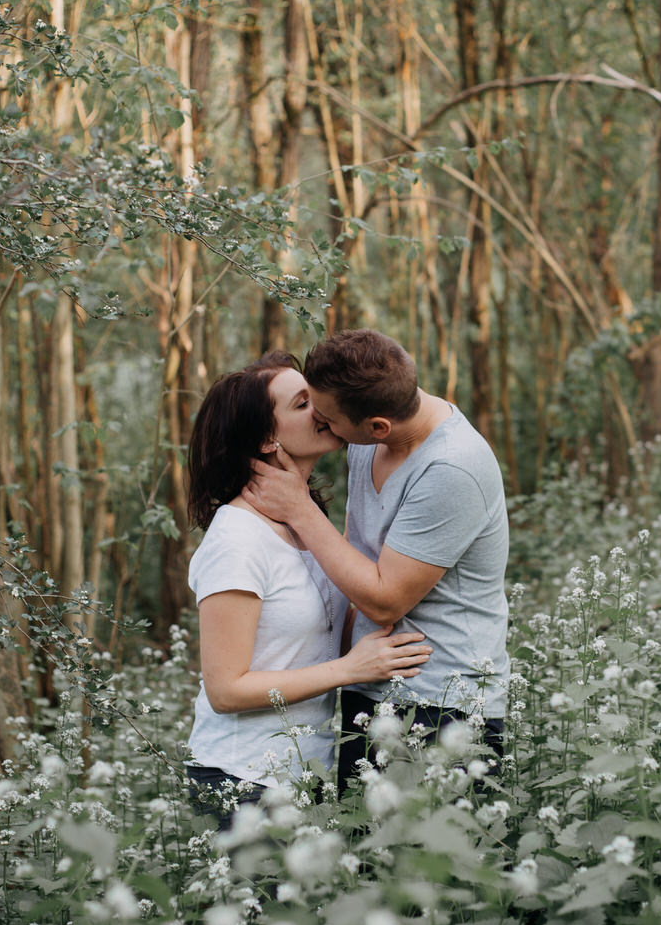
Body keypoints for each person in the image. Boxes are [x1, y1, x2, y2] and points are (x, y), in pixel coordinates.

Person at [244, 330, 510, 793]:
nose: (320, 426)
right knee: (366, 862)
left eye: (326, 418)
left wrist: (300, 509)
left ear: (378, 427)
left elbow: (386, 601)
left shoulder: (451, 467)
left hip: (443, 705)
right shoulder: (366, 438)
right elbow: (353, 552)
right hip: (371, 687)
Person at [182, 351, 433, 825]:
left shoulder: (305, 528)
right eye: (302, 403)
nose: (321, 409)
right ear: (265, 437)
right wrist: (349, 668)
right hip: (242, 781)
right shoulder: (237, 539)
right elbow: (225, 691)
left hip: (304, 773)